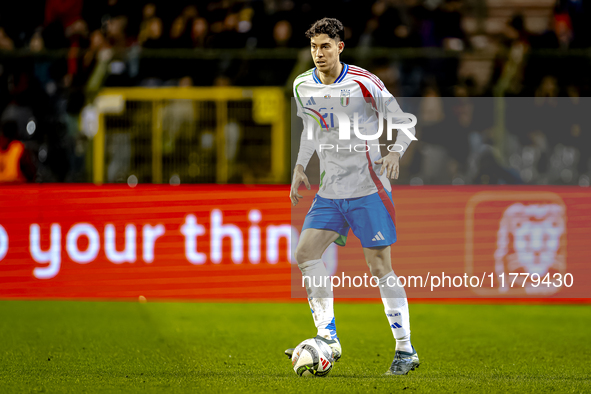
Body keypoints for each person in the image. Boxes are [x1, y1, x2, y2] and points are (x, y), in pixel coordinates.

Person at [285, 18, 419, 375]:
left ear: (340, 47)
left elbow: (406, 122)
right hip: (330, 191)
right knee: (305, 253)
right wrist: (300, 167)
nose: (319, 53)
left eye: (326, 46)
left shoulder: (364, 82)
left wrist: (394, 153)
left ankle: (405, 350)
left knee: (379, 268)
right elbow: (310, 130)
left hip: (367, 189)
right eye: (314, 47)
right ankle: (327, 337)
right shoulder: (302, 86)